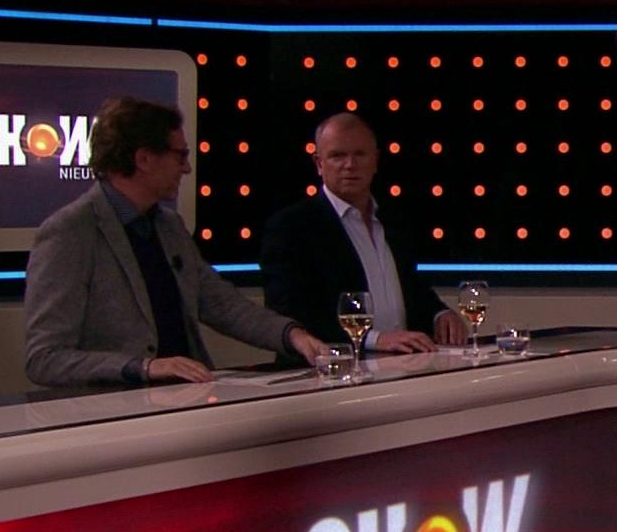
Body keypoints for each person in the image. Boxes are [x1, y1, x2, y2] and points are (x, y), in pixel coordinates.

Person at [23, 97, 327, 386]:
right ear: (144, 159)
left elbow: (222, 304)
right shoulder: (70, 231)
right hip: (115, 413)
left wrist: (292, 335)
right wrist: (142, 368)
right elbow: (45, 358)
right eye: (180, 156)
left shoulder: (169, 226)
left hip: (188, 402)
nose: (187, 168)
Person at [259, 113, 464, 355]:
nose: (350, 165)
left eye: (359, 154)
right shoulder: (291, 227)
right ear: (318, 163)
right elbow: (289, 313)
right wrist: (374, 339)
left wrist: (440, 313)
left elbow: (411, 289)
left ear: (375, 160)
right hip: (330, 370)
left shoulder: (393, 218)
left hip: (403, 367)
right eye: (338, 156)